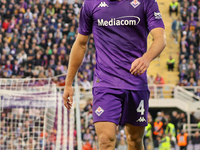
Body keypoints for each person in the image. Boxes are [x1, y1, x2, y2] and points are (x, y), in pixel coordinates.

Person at [63, 0, 166, 149]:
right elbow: (80, 43)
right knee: (105, 140)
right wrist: (68, 83)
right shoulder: (91, 4)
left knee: (134, 140)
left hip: (135, 82)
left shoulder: (146, 2)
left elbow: (160, 38)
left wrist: (146, 58)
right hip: (105, 83)